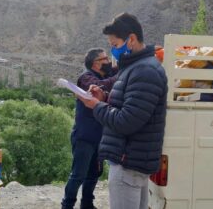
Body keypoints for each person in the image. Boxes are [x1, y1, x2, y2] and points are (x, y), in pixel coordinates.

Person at [78, 13, 168, 209]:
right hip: (133, 160)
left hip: (128, 162)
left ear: (132, 39)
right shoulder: (138, 67)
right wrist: (105, 98)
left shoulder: (144, 71)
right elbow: (132, 105)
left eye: (115, 44)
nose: (113, 50)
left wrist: (96, 105)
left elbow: (126, 121)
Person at [61, 48, 117, 209]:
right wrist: (119, 76)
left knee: (94, 174)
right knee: (78, 175)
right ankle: (67, 205)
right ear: (96, 63)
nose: (108, 62)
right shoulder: (86, 78)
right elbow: (101, 86)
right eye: (105, 59)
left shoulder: (105, 75)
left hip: (99, 137)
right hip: (84, 137)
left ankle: (87, 204)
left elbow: (117, 70)